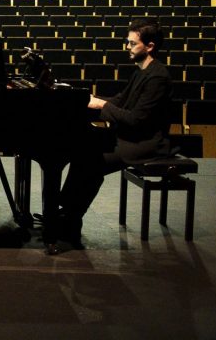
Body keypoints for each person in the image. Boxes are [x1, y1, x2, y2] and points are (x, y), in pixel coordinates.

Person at [50, 18, 173, 252]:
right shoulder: (141, 72)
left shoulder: (157, 77)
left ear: (149, 46)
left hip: (146, 143)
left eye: (132, 43)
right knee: (82, 149)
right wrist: (87, 102)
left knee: (92, 159)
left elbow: (136, 119)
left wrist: (100, 106)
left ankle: (70, 219)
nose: (127, 46)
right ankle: (67, 213)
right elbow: (120, 101)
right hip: (130, 136)